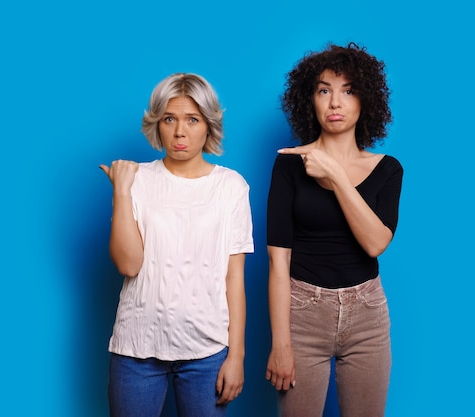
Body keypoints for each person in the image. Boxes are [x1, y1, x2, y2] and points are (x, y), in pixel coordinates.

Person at [99, 73, 254, 417]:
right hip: (136, 349)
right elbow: (128, 265)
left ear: (209, 125)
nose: (180, 132)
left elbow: (234, 278)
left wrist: (237, 356)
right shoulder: (136, 179)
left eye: (192, 120)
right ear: (158, 122)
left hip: (207, 352)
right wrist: (121, 192)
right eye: (170, 119)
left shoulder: (231, 187)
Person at [265, 43, 403, 417]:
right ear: (309, 100)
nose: (335, 102)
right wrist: (281, 344)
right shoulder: (289, 165)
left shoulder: (388, 169)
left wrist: (337, 177)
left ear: (365, 100)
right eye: (324, 90)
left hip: (367, 316)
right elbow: (278, 264)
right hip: (303, 314)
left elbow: (375, 243)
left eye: (348, 90)